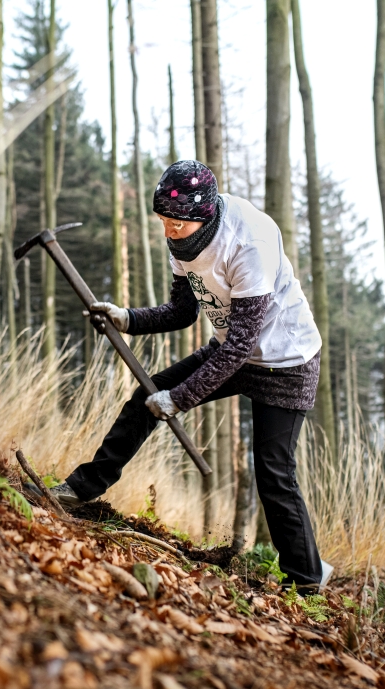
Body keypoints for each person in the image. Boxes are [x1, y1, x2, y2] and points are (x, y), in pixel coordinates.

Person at [48, 159, 331, 589]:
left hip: (285, 362)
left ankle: (307, 578)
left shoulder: (248, 242)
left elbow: (240, 344)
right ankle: (81, 489)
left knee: (273, 471)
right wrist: (128, 318)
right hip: (233, 351)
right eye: (163, 221)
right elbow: (183, 312)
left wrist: (180, 398)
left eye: (175, 224)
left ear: (204, 215)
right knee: (147, 396)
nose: (168, 231)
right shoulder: (183, 235)